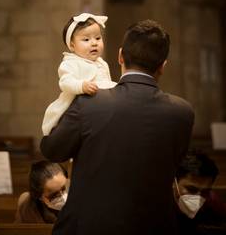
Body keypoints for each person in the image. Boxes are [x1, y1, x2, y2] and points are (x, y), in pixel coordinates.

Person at [41, 19, 194, 235]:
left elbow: (52, 150)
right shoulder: (183, 112)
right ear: (163, 65)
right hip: (154, 227)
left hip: (89, 226)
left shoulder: (89, 103)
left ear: (120, 56)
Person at [42, 13, 116, 136]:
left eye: (97, 38)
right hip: (76, 110)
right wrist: (81, 86)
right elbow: (65, 82)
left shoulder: (102, 64)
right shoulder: (71, 63)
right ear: (72, 45)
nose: (94, 43)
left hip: (99, 108)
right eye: (86, 39)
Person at [174, 150, 226, 235]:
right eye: (191, 189)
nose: (198, 197)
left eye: (205, 191)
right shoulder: (160, 205)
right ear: (174, 182)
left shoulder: (212, 200)